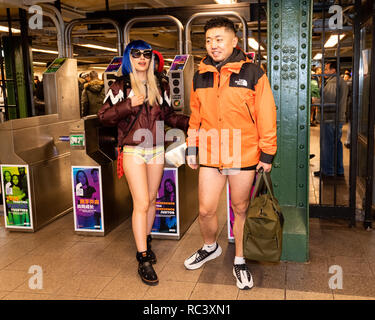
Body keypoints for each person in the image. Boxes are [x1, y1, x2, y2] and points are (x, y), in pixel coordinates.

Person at [184, 17, 277, 290]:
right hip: (211, 152)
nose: (213, 45)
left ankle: (239, 258)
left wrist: (267, 154)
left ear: (234, 41)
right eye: (209, 40)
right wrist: (192, 146)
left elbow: (266, 114)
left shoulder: (253, 73)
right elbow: (195, 116)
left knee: (240, 208)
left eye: (219, 39)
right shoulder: (200, 74)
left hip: (242, 152)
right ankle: (210, 246)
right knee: (205, 209)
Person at [98, 40, 189, 286]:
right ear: (129, 57)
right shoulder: (120, 86)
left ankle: (145, 240)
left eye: (146, 54)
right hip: (133, 151)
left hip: (157, 150)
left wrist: (193, 123)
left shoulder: (162, 84)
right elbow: (104, 116)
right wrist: (129, 105)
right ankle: (143, 258)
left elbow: (169, 115)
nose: (142, 58)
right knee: (140, 202)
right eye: (136, 54)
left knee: (151, 199)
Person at [314, 61, 348, 178]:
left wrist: (315, 101)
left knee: (327, 145)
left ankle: (328, 171)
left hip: (330, 118)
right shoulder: (341, 81)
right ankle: (338, 170)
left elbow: (328, 102)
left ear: (333, 70)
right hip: (337, 118)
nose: (324, 71)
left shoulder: (333, 83)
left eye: (327, 69)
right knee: (336, 145)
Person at [343, 70, 352, 148]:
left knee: (351, 124)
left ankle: (348, 141)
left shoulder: (348, 84)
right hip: (354, 106)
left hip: (350, 105)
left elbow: (345, 97)